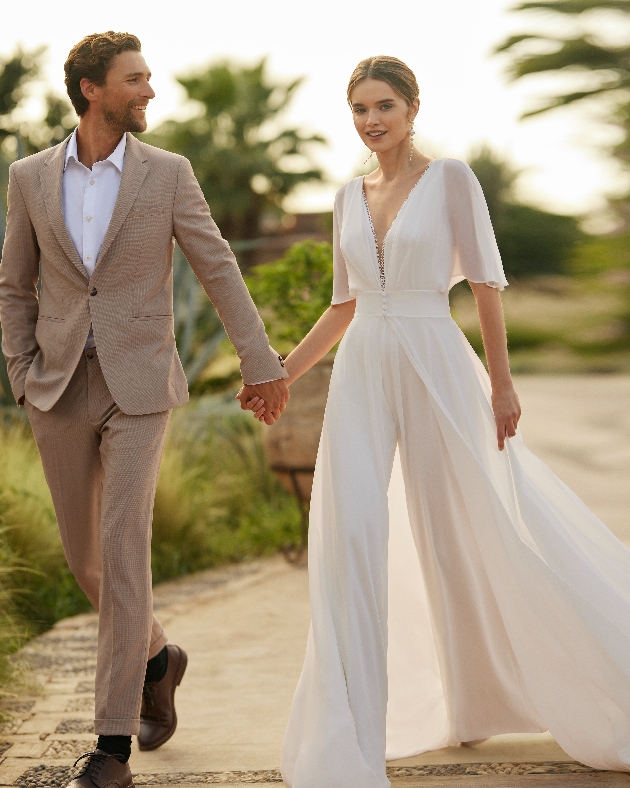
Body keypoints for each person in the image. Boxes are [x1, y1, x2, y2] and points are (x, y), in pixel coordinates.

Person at [245, 55, 630, 788]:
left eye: (384, 105)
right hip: (362, 369)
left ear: (413, 107)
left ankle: (517, 689)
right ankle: (348, 736)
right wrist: (280, 375)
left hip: (436, 359)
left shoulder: (452, 178)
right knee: (350, 530)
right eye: (359, 108)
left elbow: (485, 280)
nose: (371, 120)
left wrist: (504, 385)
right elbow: (344, 303)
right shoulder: (344, 195)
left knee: (478, 518)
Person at [0, 31, 288, 788]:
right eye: (136, 80)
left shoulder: (168, 174)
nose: (150, 91)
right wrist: (22, 372)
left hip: (141, 386)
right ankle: (160, 657)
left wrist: (263, 365)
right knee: (86, 561)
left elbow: (217, 266)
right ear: (92, 89)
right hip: (57, 386)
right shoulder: (29, 176)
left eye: (149, 78)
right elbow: (13, 283)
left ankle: (111, 750)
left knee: (124, 552)